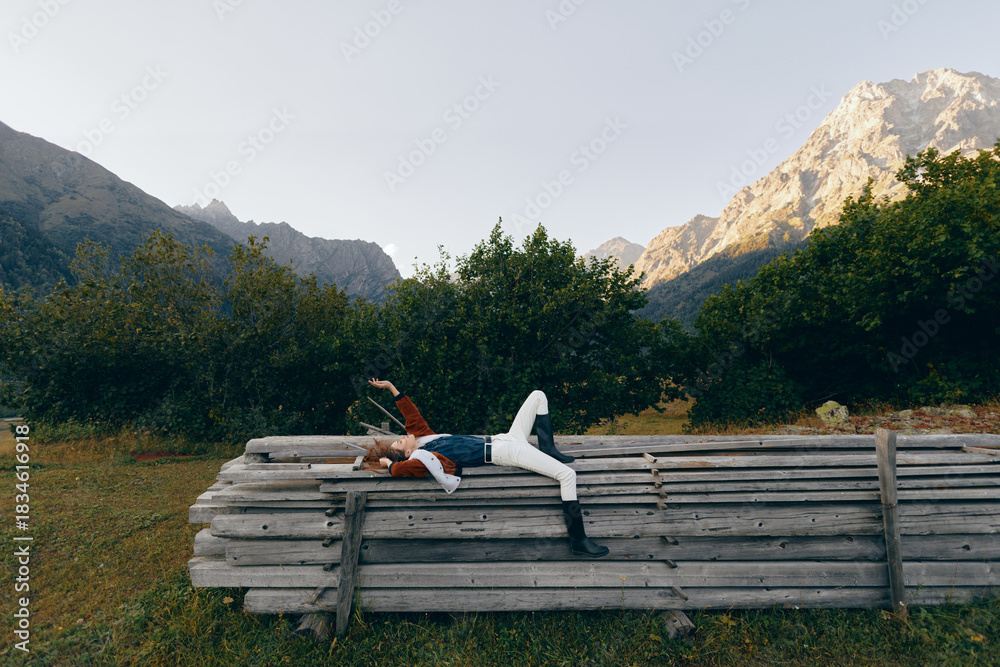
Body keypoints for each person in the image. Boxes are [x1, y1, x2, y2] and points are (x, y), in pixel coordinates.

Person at [366, 378, 609, 558]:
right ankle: (578, 539)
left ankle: (549, 449)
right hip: (505, 452)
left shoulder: (426, 439)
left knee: (538, 395)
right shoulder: (423, 457)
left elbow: (412, 416)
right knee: (567, 475)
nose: (403, 435)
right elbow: (404, 470)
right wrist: (390, 465)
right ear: (408, 454)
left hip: (505, 438)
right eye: (400, 442)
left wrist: (391, 388)